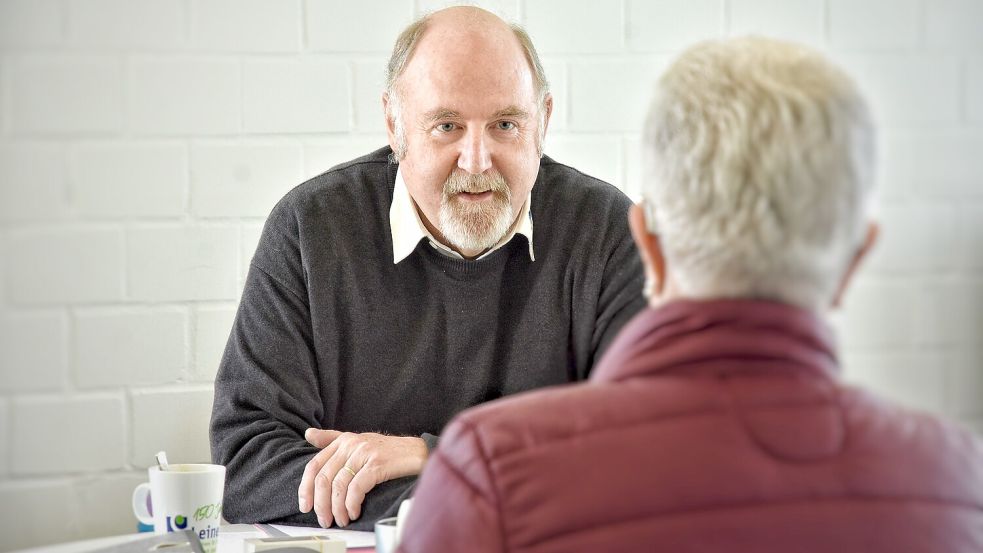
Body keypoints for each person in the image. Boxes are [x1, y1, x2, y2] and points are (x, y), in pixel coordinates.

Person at [398, 37, 983, 552]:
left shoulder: (491, 472)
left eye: (504, 123)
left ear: (648, 244)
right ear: (856, 260)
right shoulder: (959, 482)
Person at [208, 6, 645, 531]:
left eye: (506, 124)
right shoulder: (310, 229)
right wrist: (473, 500)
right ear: (395, 125)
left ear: (543, 121)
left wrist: (437, 454)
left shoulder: (609, 229)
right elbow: (246, 463)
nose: (477, 160)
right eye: (447, 126)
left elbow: (643, 447)